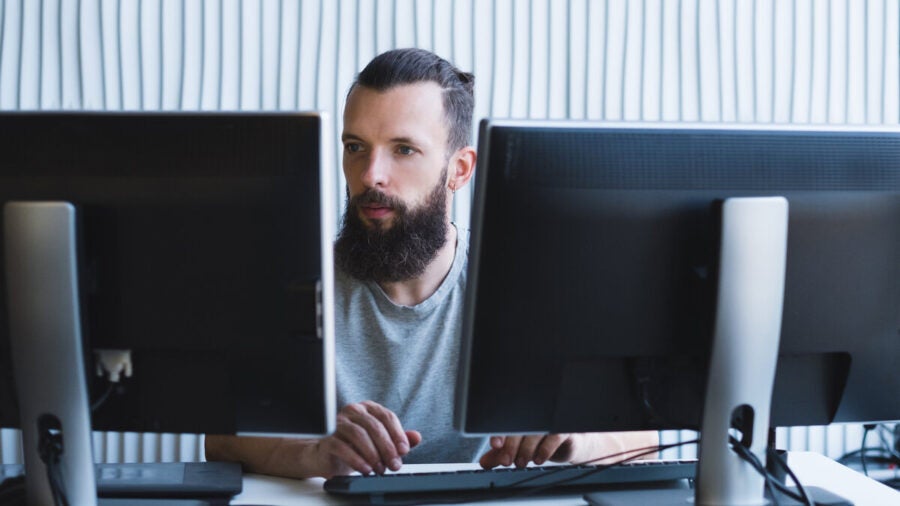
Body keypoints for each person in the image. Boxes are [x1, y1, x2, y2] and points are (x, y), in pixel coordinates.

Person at [205, 48, 658, 479]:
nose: (370, 175)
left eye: (403, 149)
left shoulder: (533, 283)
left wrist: (574, 443)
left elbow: (645, 435)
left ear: (459, 170)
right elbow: (222, 438)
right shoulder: (297, 284)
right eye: (356, 146)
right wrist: (315, 453)